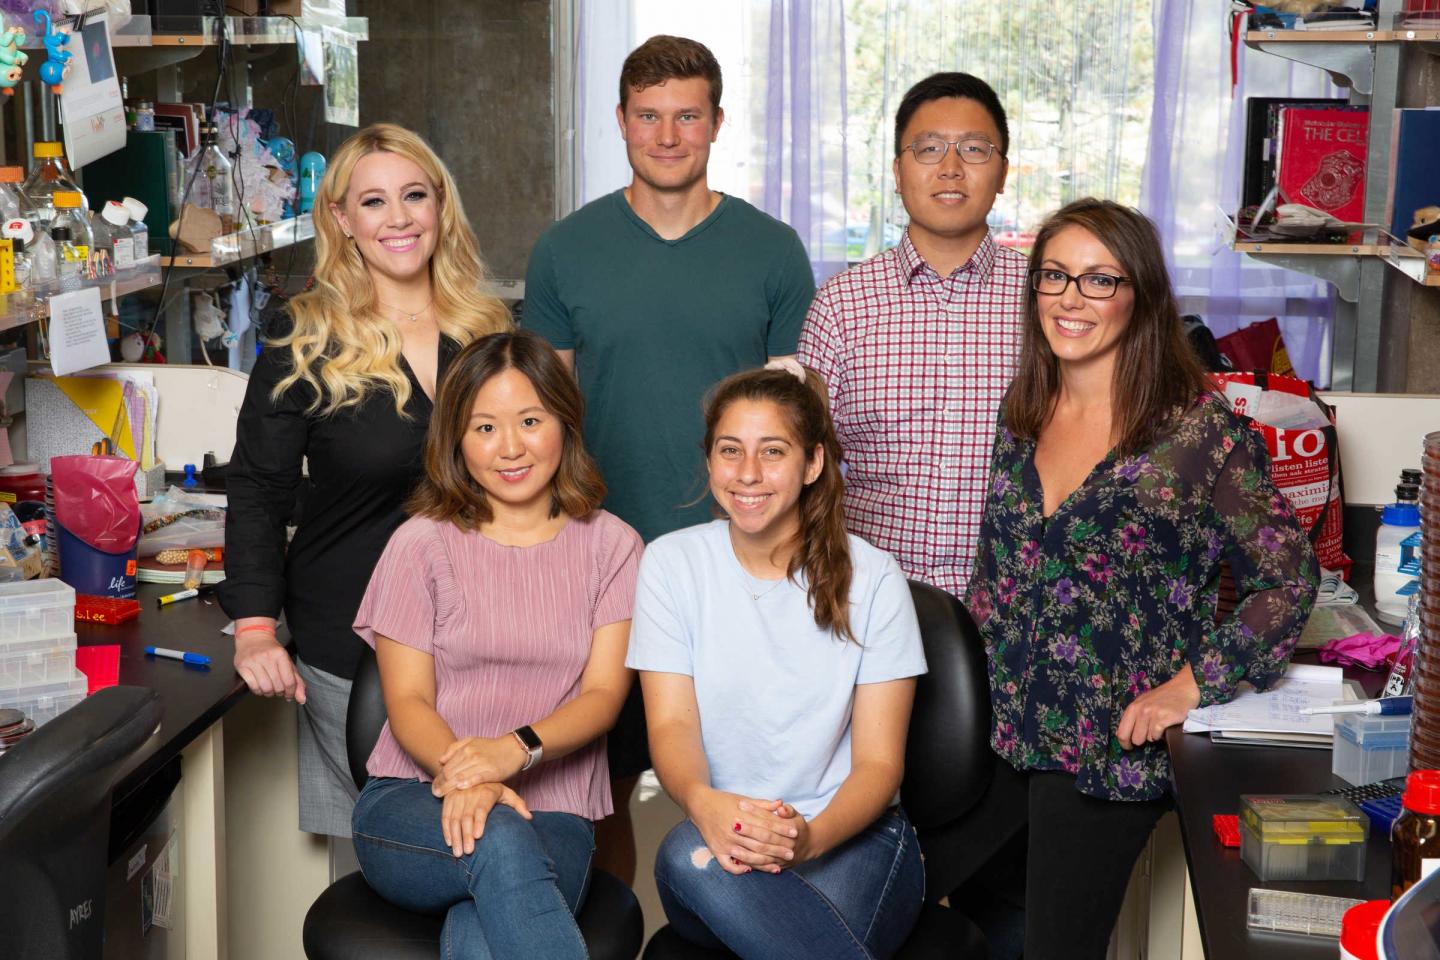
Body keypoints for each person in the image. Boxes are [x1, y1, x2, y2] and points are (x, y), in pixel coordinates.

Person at [963, 198, 1319, 959]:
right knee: (936, 920)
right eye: (1055, 275)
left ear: (1142, 296)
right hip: (998, 735)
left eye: (1100, 280)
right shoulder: (1023, 413)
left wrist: (1190, 685)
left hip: (1105, 750)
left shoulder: (1194, 433)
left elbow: (1288, 579)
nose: (1071, 297)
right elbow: (993, 580)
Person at [524, 34, 816, 880]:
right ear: (620, 121)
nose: (666, 135)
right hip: (604, 562)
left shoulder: (771, 251)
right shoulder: (566, 251)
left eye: (687, 116)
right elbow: (544, 424)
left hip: (740, 565)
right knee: (597, 788)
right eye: (647, 117)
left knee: (742, 784)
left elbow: (791, 428)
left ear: (717, 122)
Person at [217, 123, 513, 838]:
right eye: (373, 202)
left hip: (480, 635)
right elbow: (257, 488)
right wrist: (256, 629)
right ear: (343, 220)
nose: (400, 218)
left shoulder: (490, 330)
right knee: (398, 850)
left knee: (494, 836)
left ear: (441, 207)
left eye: (415, 195)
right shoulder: (303, 337)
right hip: (351, 637)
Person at [349, 330, 642, 959]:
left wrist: (514, 752)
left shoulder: (614, 546)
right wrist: (467, 776)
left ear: (564, 422)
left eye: (530, 420)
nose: (509, 448)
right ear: (455, 438)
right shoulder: (420, 544)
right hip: (412, 801)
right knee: (500, 842)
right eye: (484, 428)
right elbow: (406, 701)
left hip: (556, 813)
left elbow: (603, 696)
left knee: (485, 933)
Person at [628, 364, 928, 959]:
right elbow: (671, 726)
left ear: (813, 463)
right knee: (686, 859)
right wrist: (705, 805)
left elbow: (877, 765)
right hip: (720, 838)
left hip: (850, 839)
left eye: (773, 452)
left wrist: (809, 840)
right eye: (730, 450)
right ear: (709, 459)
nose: (748, 474)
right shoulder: (670, 566)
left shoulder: (875, 579)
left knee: (775, 929)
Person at [799, 72, 1027, 598]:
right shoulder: (840, 304)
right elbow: (805, 460)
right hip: (868, 599)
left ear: (1002, 173)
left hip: (1017, 607)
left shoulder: (1047, 299)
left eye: (973, 149)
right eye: (928, 149)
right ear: (898, 173)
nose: (950, 168)